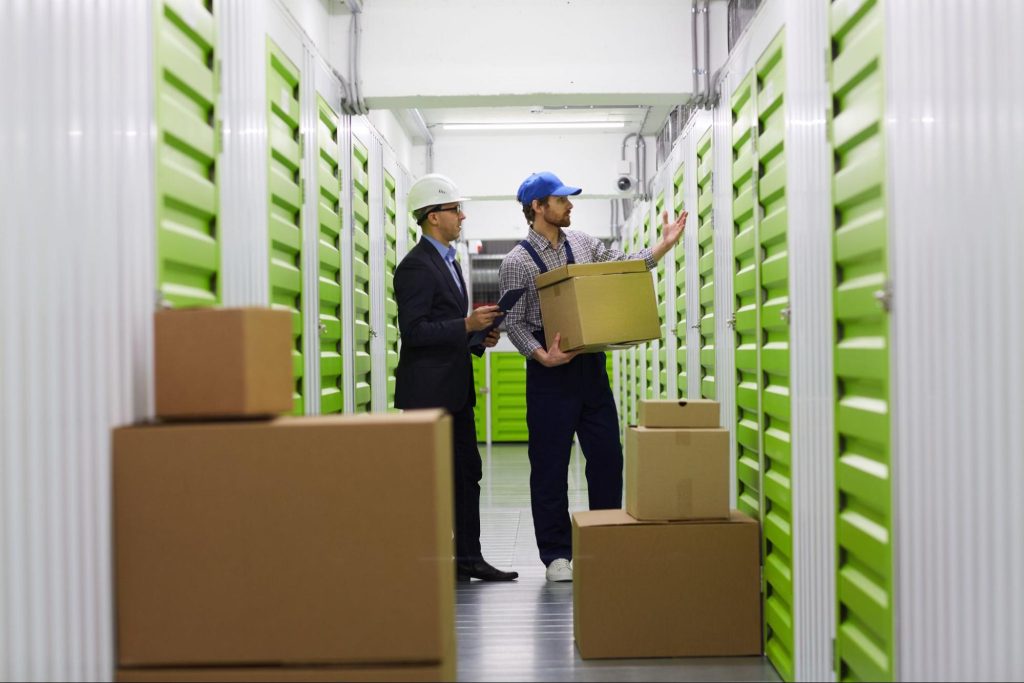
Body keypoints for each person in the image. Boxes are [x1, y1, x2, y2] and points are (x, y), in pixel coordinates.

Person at [498, 171, 687, 582]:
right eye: (561, 200)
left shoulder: (583, 243)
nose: (570, 206)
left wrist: (663, 246)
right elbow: (512, 323)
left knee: (606, 458)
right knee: (549, 467)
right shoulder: (516, 262)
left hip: (590, 369)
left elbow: (623, 267)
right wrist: (541, 356)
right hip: (549, 374)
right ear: (538, 207)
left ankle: (602, 538)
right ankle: (556, 555)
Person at [394, 173, 519, 583]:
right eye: (454, 210)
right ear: (434, 217)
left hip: (455, 392)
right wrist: (465, 324)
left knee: (467, 475)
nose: (461, 216)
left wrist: (478, 337)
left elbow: (446, 331)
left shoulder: (448, 262)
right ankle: (427, 560)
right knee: (433, 482)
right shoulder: (415, 267)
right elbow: (414, 333)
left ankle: (468, 559)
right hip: (429, 396)